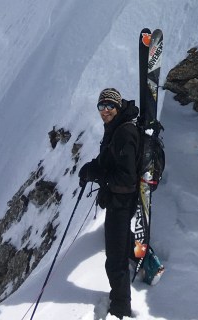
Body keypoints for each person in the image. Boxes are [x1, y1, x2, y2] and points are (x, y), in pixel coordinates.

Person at [79, 87, 140, 319]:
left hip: (122, 202)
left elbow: (126, 178)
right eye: (101, 106)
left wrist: (99, 176)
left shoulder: (124, 132)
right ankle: (146, 259)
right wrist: (90, 169)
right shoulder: (115, 127)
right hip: (118, 200)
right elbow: (109, 160)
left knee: (115, 260)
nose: (105, 111)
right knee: (122, 241)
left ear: (118, 106)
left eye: (109, 106)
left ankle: (120, 308)